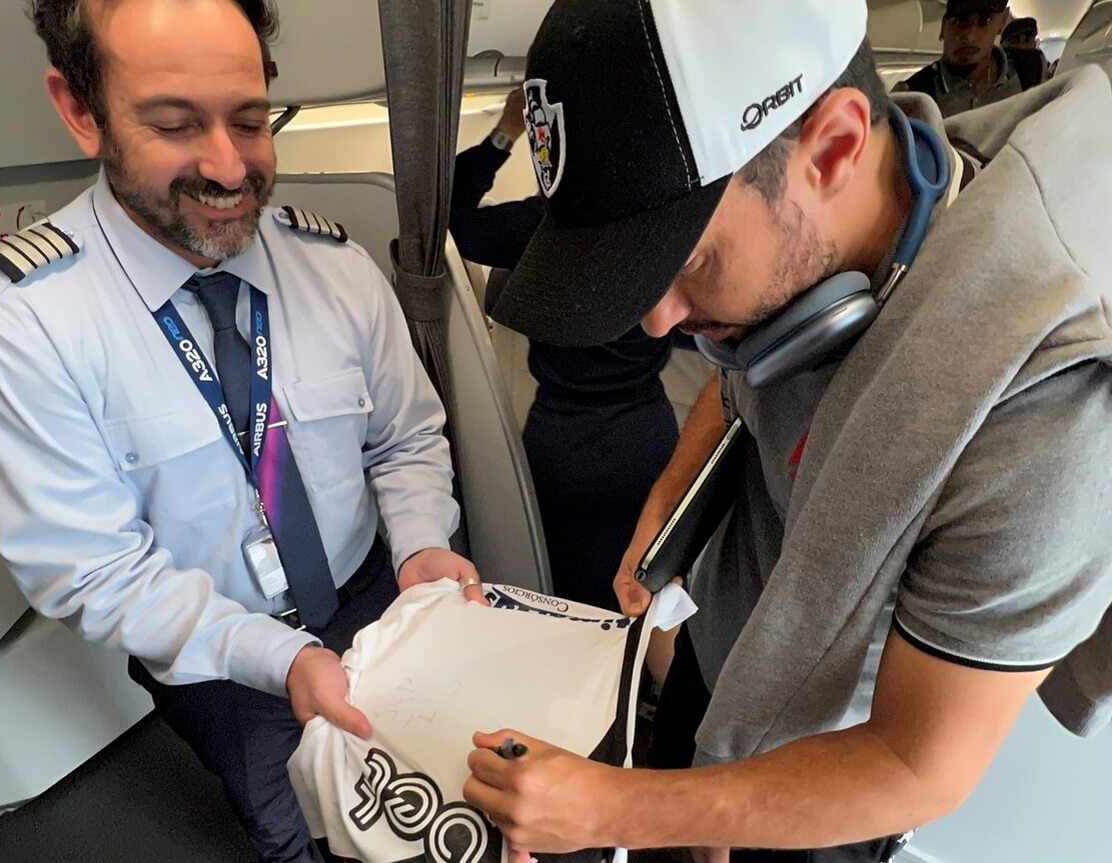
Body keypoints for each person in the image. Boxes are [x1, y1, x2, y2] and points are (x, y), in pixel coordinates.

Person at [465, 1, 1112, 861]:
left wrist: (627, 810)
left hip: (833, 771)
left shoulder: (1049, 402)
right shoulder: (814, 263)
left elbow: (919, 763)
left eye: (687, 260)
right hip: (723, 658)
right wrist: (670, 499)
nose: (656, 322)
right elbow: (741, 388)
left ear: (835, 150)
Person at [0, 1, 482, 861]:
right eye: (174, 124)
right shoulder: (22, 321)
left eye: (250, 119)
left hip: (382, 600)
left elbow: (406, 437)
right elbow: (95, 567)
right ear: (79, 110)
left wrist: (421, 541)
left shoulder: (336, 266)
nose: (230, 167)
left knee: (434, 798)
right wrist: (280, 657)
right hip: (223, 669)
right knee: (297, 832)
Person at [450, 88, 678, 611]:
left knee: (564, 590)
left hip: (562, 440)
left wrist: (505, 132)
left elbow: (446, 219)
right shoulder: (661, 218)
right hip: (644, 433)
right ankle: (639, 681)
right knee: (645, 581)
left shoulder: (536, 228)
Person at [896, 0, 1045, 117]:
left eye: (984, 21)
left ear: (1002, 21)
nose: (970, 37)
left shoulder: (1030, 70)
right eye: (960, 21)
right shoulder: (912, 96)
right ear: (943, 27)